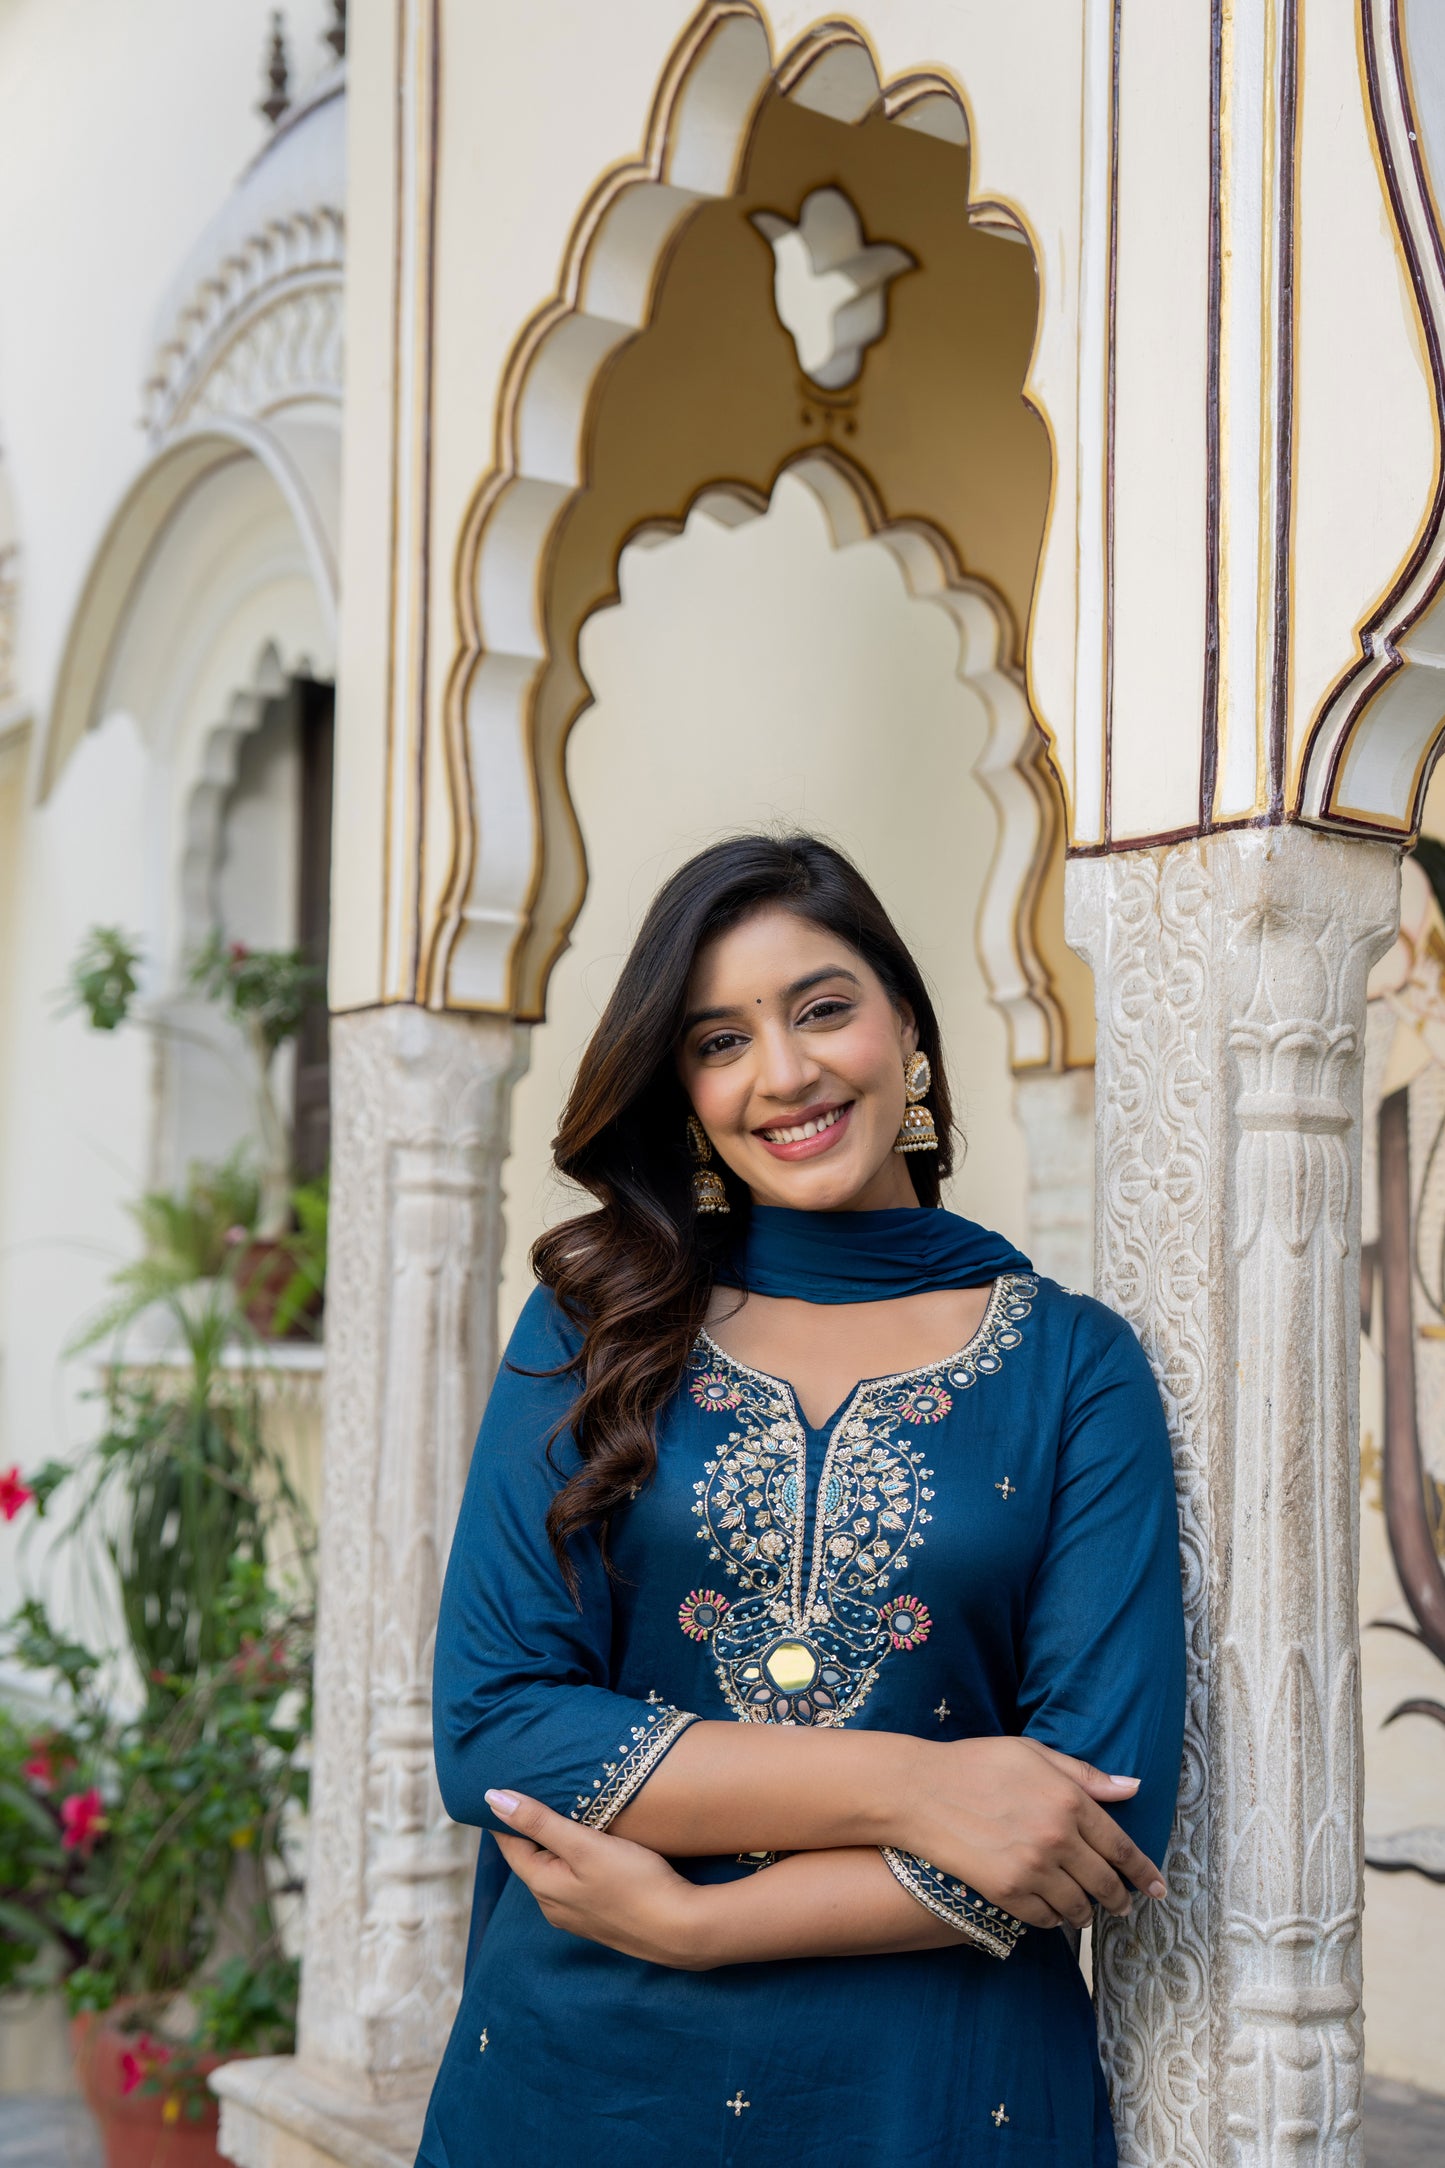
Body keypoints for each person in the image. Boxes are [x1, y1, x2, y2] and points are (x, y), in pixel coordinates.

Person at [415, 834, 1185, 2167]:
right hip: (584, 2083)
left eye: (823, 1009)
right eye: (720, 1041)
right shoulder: (597, 1324)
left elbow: (1097, 1812)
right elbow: (495, 1728)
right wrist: (920, 1789)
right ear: (684, 1088)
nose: (782, 1073)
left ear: (907, 1028)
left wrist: (699, 1924)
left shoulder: (1072, 1365)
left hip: (933, 2095)